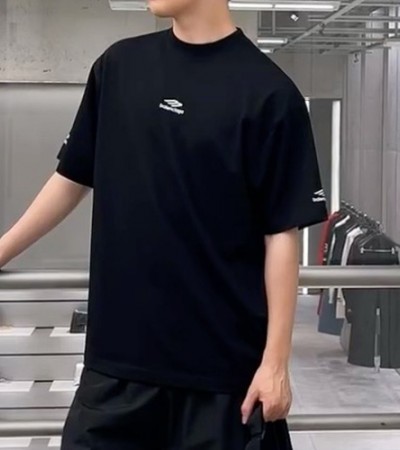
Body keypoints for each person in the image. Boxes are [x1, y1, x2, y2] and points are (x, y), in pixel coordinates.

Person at [0, 0, 328, 448]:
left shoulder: (270, 93)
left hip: (223, 381)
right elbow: (71, 178)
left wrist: (276, 362)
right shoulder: (118, 68)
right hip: (116, 371)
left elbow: (281, 235)